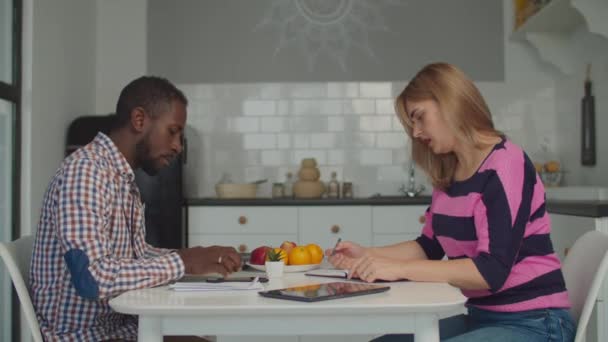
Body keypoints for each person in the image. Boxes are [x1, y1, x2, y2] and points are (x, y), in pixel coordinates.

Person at [327, 63, 576, 342]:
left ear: (449, 101)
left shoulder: (506, 164)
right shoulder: (450, 174)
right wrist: (368, 255)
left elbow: (490, 271)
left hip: (535, 323)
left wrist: (397, 268)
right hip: (479, 318)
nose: (416, 133)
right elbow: (428, 247)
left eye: (419, 117)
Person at [29, 76, 241, 342]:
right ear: (139, 120)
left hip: (118, 327)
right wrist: (184, 262)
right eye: (173, 131)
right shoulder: (85, 172)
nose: (178, 146)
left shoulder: (121, 178)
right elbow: (93, 278)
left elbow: (132, 257)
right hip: (83, 337)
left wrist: (195, 256)